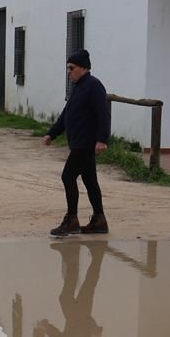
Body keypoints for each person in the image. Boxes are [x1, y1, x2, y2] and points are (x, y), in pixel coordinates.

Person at [42, 49, 110, 236]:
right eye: (68, 68)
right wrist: (52, 134)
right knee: (90, 181)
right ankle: (99, 221)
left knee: (68, 177)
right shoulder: (79, 87)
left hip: (85, 143)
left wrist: (102, 139)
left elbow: (103, 113)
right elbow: (67, 114)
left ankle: (71, 220)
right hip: (79, 143)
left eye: (71, 68)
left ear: (83, 68)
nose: (69, 72)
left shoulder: (94, 85)